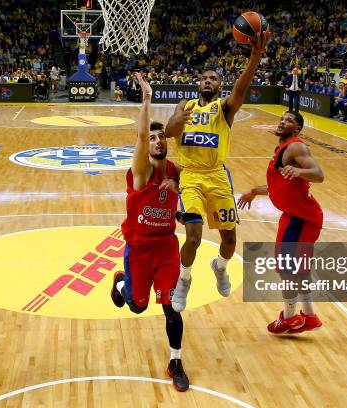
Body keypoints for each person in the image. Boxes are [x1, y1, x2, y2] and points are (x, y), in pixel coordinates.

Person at [165, 32, 270, 312]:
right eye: (204, 78)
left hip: (217, 176)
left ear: (220, 85)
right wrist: (178, 119)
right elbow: (167, 133)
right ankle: (184, 280)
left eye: (213, 78)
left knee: (229, 239)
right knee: (194, 236)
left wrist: (255, 56)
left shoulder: (223, 108)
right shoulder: (184, 106)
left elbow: (242, 88)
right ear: (198, 84)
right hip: (190, 177)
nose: (207, 81)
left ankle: (220, 267)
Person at [110, 73, 189, 392]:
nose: (157, 141)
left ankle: (176, 361)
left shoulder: (176, 172)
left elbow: (198, 182)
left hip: (167, 247)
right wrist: (146, 98)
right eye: (153, 138)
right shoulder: (141, 172)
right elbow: (141, 139)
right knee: (138, 306)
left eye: (162, 137)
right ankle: (121, 280)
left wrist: (184, 206)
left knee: (173, 305)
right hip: (139, 249)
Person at [237, 111, 324, 334]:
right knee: (299, 268)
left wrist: (300, 170)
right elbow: (279, 187)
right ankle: (309, 315)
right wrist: (254, 191)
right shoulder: (282, 150)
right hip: (296, 215)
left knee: (287, 268)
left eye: (289, 120)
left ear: (297, 129)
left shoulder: (296, 147)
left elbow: (318, 174)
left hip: (301, 218)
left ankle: (290, 317)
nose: (283, 121)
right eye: (282, 119)